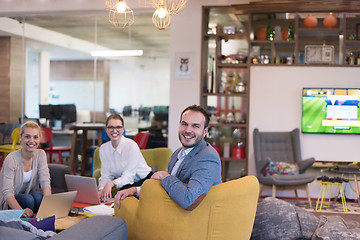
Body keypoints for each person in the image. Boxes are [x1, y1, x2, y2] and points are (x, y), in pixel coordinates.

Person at [115, 104, 222, 210]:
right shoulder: (177, 153)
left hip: (192, 223)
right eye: (184, 124)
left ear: (205, 132)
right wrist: (135, 190)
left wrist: (165, 176)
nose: (188, 130)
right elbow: (170, 188)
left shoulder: (208, 158)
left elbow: (189, 200)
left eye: (195, 126)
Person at [0, 121, 51, 218]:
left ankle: (37, 220)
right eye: (27, 136)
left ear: (40, 139)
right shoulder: (12, 159)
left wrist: (48, 206)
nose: (32, 141)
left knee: (39, 198)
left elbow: (45, 181)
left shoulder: (41, 154)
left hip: (25, 194)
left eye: (35, 137)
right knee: (29, 200)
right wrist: (20, 212)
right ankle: (25, 223)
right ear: (21, 137)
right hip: (8, 201)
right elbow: (7, 193)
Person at [98, 114, 153, 202]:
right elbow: (106, 175)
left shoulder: (131, 146)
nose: (114, 130)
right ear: (106, 129)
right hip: (126, 182)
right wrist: (101, 189)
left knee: (121, 195)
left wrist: (112, 183)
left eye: (118, 127)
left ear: (123, 129)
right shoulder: (104, 148)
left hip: (144, 180)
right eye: (111, 127)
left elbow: (129, 177)